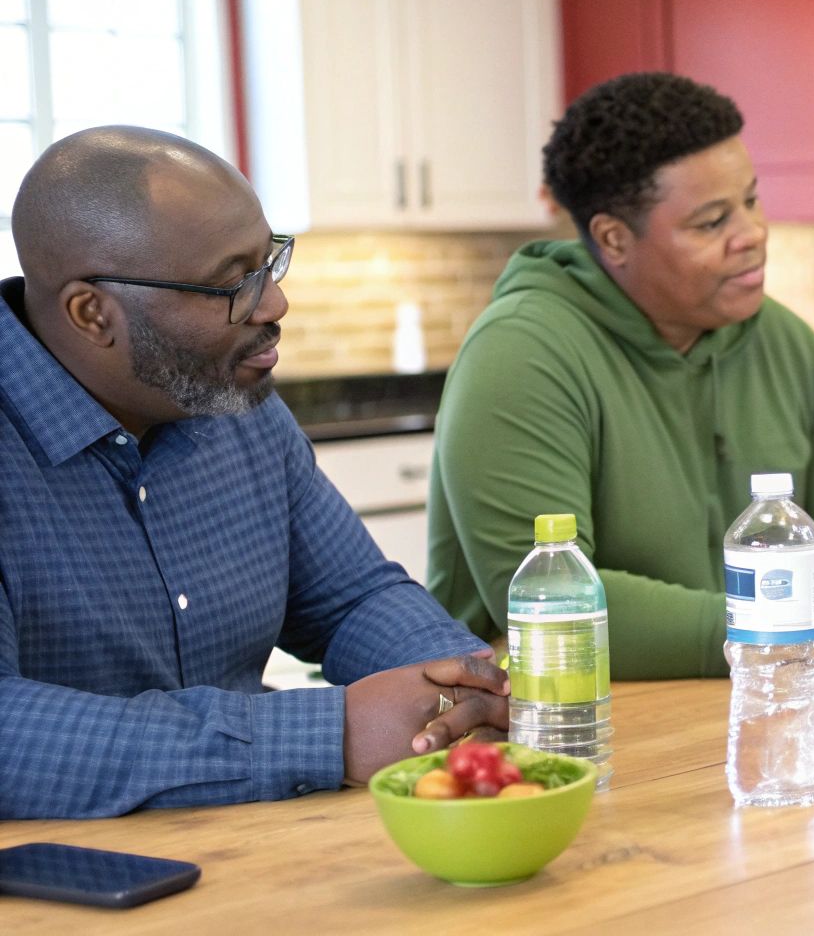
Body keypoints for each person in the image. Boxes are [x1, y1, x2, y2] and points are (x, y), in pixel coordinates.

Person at [0, 127, 508, 820]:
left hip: (249, 849)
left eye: (268, 263)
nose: (273, 305)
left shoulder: (232, 404)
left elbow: (351, 600)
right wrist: (328, 733)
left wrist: (464, 684)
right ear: (93, 313)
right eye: (230, 284)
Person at [427, 72, 814, 678]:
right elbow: (553, 604)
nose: (753, 234)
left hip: (733, 703)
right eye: (713, 222)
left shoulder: (785, 341)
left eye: (751, 200)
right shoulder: (520, 356)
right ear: (614, 239)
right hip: (547, 730)